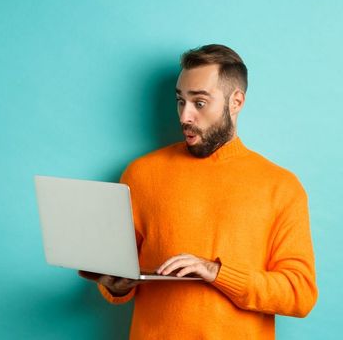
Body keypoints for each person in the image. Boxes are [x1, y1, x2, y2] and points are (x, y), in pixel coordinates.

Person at [79, 44, 317, 338]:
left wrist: (217, 273)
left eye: (199, 103)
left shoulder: (281, 186)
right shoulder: (140, 174)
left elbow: (300, 294)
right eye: (180, 101)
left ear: (236, 101)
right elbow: (117, 277)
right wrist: (115, 285)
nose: (185, 116)